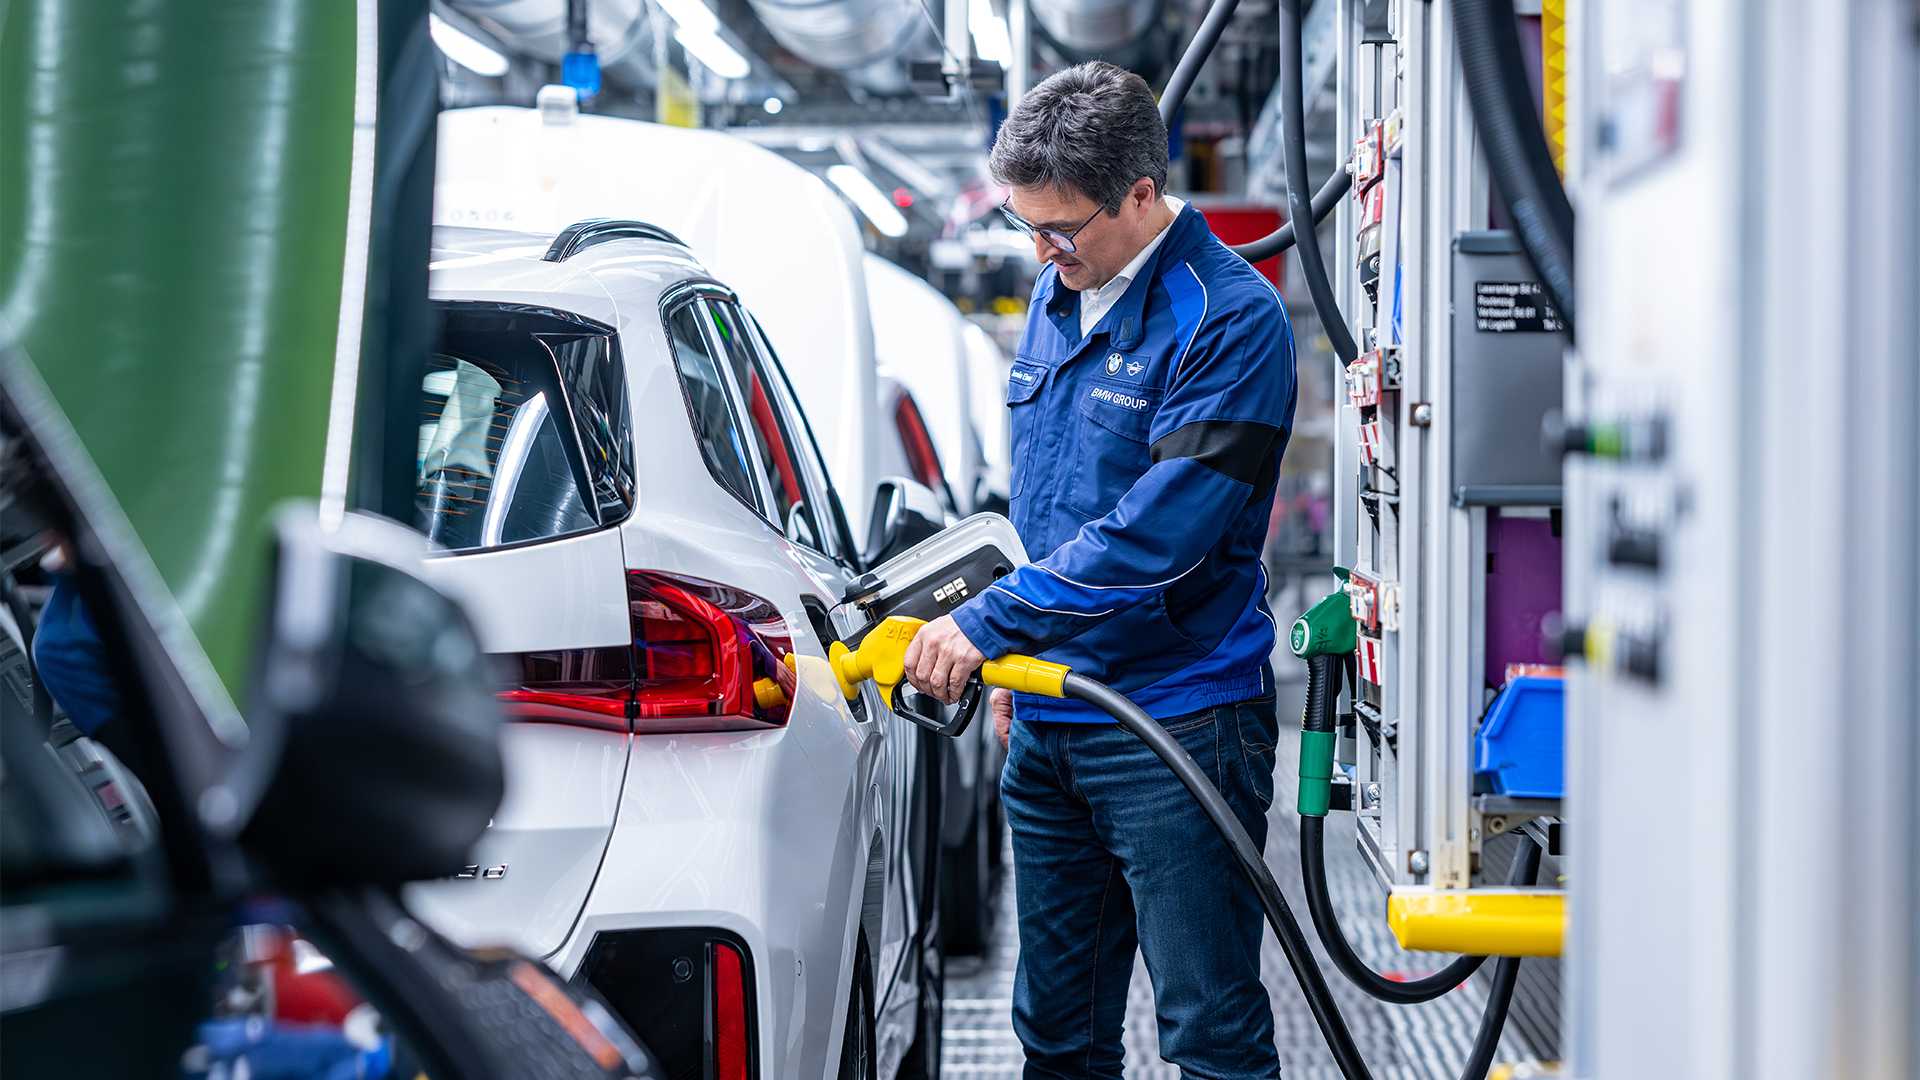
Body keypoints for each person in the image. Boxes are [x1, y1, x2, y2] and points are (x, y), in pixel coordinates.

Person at [902, 60, 1297, 1080]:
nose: (1040, 252)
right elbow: (1047, 498)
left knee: (1209, 1035)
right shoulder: (1054, 291)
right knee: (1058, 1031)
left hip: (1179, 723)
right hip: (1052, 717)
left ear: (1139, 193)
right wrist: (1018, 657)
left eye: (1062, 229)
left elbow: (1158, 533)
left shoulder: (1229, 320)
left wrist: (994, 623)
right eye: (1025, 226)